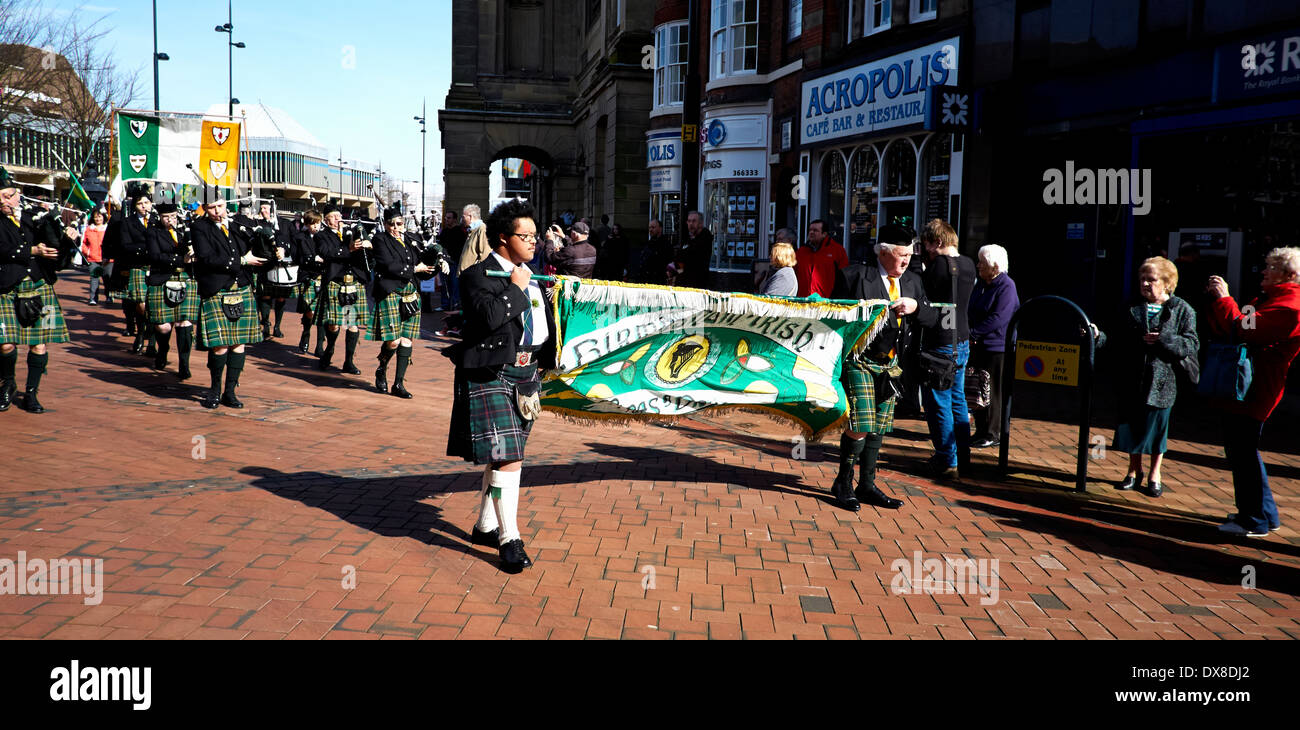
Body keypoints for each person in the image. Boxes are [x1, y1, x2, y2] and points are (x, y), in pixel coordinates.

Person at [446, 199, 556, 573]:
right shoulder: (477, 274)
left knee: (504, 453)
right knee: (509, 455)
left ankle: (485, 525)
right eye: (526, 236)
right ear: (503, 239)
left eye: (535, 236)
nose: (534, 242)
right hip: (492, 372)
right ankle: (510, 539)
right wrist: (515, 288)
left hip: (527, 374)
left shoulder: (532, 273)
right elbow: (491, 317)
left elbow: (541, 327)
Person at [828, 224, 938, 511]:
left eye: (910, 256)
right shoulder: (853, 276)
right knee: (861, 424)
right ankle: (843, 481)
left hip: (892, 364)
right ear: (884, 252)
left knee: (878, 427)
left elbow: (931, 318)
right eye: (901, 255)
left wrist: (916, 307)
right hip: (860, 359)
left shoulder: (913, 280)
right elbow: (833, 318)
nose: (906, 261)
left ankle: (866, 484)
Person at [1205, 247, 1300, 536]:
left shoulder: (1290, 306)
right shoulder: (1277, 299)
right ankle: (1264, 515)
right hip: (1251, 384)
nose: (1264, 272)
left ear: (1288, 274)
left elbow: (1243, 327)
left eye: (1270, 268)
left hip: (1255, 387)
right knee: (1244, 450)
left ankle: (1254, 519)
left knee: (1242, 451)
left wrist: (1224, 299)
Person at [1101, 257, 1199, 498]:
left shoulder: (1181, 309)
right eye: (1142, 279)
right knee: (1131, 426)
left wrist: (1165, 340)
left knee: (1157, 429)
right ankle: (1134, 471)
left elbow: (1192, 343)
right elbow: (1113, 338)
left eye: (1151, 279)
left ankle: (1155, 474)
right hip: (1132, 378)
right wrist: (1096, 336)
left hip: (1163, 380)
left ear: (1167, 283)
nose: (1145, 283)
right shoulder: (1130, 306)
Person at [0, 167, 78, 413]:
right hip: (7, 286)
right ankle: (8, 383)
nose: (6, 201)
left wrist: (67, 239)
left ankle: (32, 394)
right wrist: (31, 251)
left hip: (38, 285)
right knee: (5, 345)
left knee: (40, 344)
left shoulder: (34, 217)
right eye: (0, 196)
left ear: (18, 194)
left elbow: (55, 253)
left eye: (9, 195)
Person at [191, 196, 266, 409]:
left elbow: (252, 250)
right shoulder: (199, 227)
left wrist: (266, 242)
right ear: (205, 208)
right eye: (212, 207)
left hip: (240, 288)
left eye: (220, 206)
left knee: (238, 343)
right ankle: (214, 391)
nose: (217, 211)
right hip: (217, 289)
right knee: (219, 346)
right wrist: (241, 261)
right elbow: (206, 258)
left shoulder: (237, 225)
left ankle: (230, 392)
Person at [918, 219, 977, 479]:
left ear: (938, 242)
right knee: (958, 398)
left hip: (940, 340)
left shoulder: (938, 266)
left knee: (939, 401)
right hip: (961, 338)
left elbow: (925, 299)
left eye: (928, 244)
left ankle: (946, 459)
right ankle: (963, 456)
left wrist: (923, 269)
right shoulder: (969, 264)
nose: (926, 249)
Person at [368, 207, 434, 397]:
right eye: (391, 224)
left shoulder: (411, 239)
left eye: (399, 223)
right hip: (391, 292)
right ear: (385, 224)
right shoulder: (380, 239)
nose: (396, 228)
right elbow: (389, 265)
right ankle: (382, 368)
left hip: (411, 293)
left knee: (406, 339)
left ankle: (398, 384)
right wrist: (415, 268)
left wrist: (438, 259)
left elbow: (425, 259)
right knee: (393, 341)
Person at [968, 244, 1019, 449]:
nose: (978, 265)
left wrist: (974, 332)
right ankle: (980, 430)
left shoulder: (1006, 285)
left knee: (993, 390)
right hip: (980, 344)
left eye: (983, 262)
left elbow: (999, 317)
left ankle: (992, 432)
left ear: (995, 266)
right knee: (978, 388)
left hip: (997, 347)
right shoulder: (981, 284)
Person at [144, 202, 199, 379]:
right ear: (160, 217)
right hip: (162, 277)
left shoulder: (186, 231)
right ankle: (163, 349)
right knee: (163, 326)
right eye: (166, 217)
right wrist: (180, 259)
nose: (171, 220)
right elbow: (154, 256)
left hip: (185, 279)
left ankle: (184, 363)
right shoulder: (153, 231)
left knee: (185, 322)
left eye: (173, 216)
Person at [315, 206, 371, 374]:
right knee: (333, 325)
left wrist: (366, 243)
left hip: (353, 284)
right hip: (335, 283)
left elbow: (364, 254)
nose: (338, 218)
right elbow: (327, 253)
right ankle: (329, 350)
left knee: (351, 324)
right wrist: (349, 249)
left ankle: (349, 361)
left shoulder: (352, 233)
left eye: (340, 215)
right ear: (326, 220)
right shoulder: (321, 236)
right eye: (334, 216)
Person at [119, 193, 155, 354]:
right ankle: (141, 332)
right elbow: (125, 245)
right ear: (135, 206)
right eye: (140, 203)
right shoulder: (128, 222)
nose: (144, 206)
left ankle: (152, 341)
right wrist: (146, 249)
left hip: (156, 267)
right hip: (138, 266)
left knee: (155, 304)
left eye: (147, 202)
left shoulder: (157, 220)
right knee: (141, 304)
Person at [293, 210, 326, 355]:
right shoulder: (299, 237)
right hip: (307, 277)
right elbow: (296, 258)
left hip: (323, 277)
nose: (316, 226)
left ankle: (320, 345)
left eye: (318, 223)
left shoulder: (324, 237)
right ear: (307, 224)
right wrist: (313, 259)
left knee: (322, 313)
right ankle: (305, 335)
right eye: (313, 224)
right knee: (310, 311)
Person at [794, 219, 849, 297]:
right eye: (810, 230)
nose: (811, 232)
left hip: (827, 302)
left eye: (815, 230)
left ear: (824, 234)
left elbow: (845, 278)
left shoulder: (837, 251)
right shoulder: (801, 251)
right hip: (803, 301)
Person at [675, 211, 713, 289]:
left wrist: (681, 267)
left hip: (697, 285)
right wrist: (680, 271)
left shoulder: (705, 238)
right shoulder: (688, 239)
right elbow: (678, 258)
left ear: (700, 223)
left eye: (694, 221)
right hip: (683, 283)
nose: (691, 224)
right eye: (689, 221)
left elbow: (690, 257)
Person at [437, 209, 465, 309]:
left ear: (454, 219)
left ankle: (456, 305)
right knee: (444, 285)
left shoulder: (460, 232)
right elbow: (439, 245)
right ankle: (445, 305)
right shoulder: (444, 231)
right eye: (446, 218)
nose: (446, 220)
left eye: (449, 218)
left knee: (454, 286)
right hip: (444, 262)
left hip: (454, 262)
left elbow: (462, 249)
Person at [81, 209, 108, 305]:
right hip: (93, 258)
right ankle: (93, 298)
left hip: (107, 258)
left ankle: (109, 296)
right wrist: (87, 252)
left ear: (103, 217)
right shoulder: (89, 229)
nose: (98, 219)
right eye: (96, 217)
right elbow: (83, 243)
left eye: (100, 216)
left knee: (107, 278)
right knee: (94, 278)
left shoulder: (107, 229)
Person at [456, 204, 489, 273]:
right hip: (466, 277)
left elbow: (484, 255)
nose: (462, 219)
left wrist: (474, 273)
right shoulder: (472, 230)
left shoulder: (482, 229)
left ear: (470, 216)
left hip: (471, 278)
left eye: (463, 217)